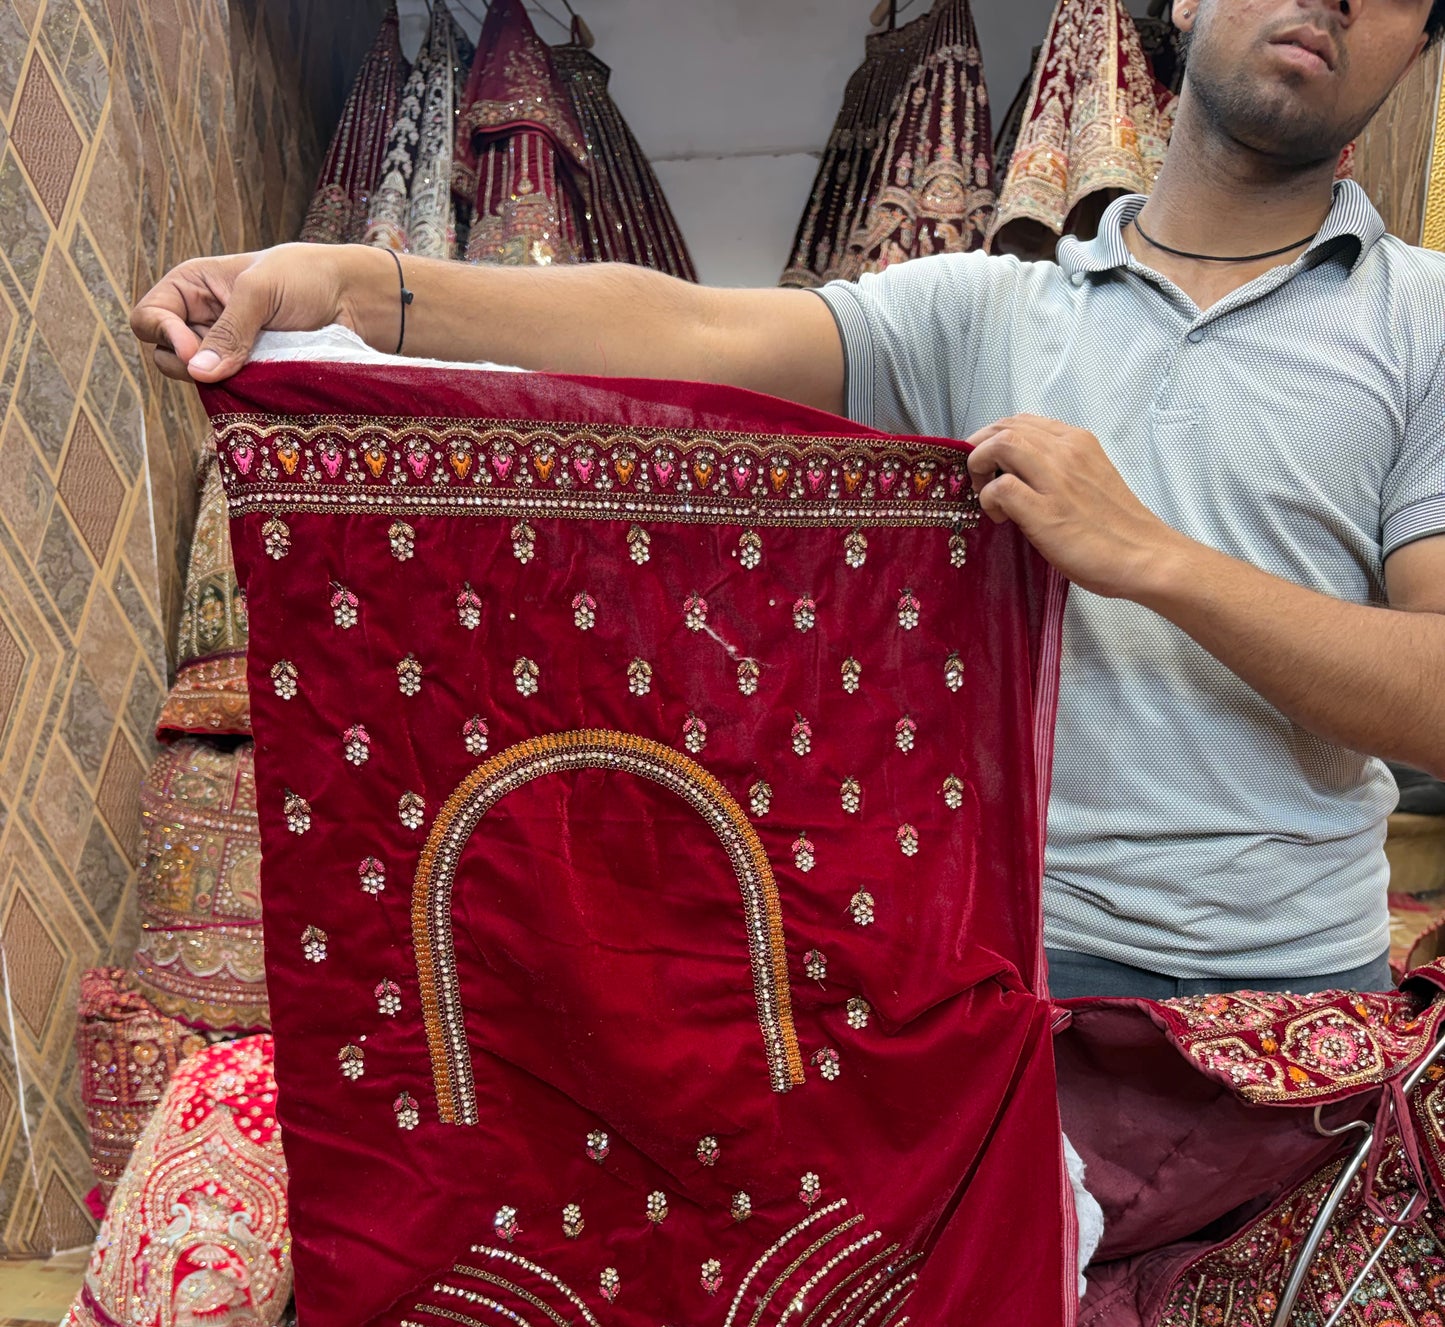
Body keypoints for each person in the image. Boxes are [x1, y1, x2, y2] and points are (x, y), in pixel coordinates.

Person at [134, 0, 1445, 1006]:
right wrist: (353, 288)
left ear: (1417, 44)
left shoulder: (1426, 328)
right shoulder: (988, 310)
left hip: (1293, 1009)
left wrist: (1151, 558)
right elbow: (692, 328)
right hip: (999, 987)